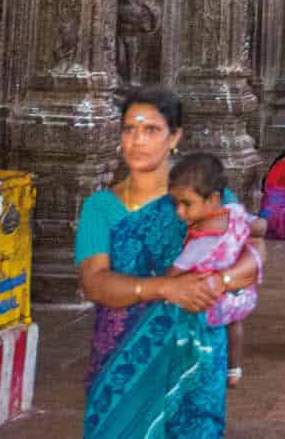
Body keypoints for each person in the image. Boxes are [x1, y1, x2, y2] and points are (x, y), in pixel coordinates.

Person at [75, 86, 261, 439]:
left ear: (175, 136)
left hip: (195, 356)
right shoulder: (100, 208)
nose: (137, 141)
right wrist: (166, 287)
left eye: (151, 130)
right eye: (129, 129)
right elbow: (94, 282)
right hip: (123, 363)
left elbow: (253, 255)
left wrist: (219, 282)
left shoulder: (207, 198)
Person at [168, 152, 261, 388]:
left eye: (186, 204)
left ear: (212, 199)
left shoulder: (203, 240)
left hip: (213, 298)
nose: (179, 212)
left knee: (199, 331)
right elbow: (257, 227)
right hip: (241, 294)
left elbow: (176, 272)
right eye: (176, 204)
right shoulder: (234, 212)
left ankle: (200, 370)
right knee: (234, 325)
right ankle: (234, 368)